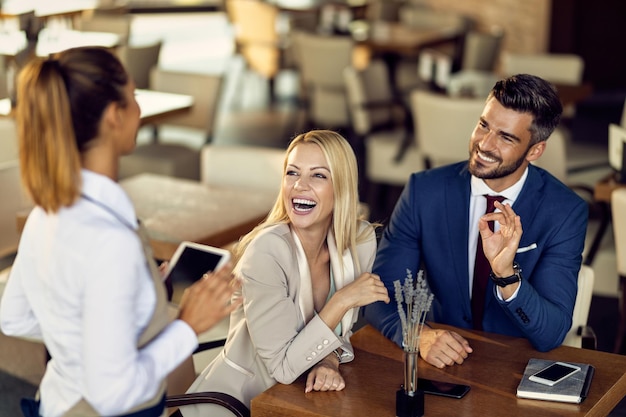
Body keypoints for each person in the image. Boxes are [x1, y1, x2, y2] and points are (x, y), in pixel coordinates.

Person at [0, 47, 241, 417]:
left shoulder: (45, 214)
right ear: (114, 115)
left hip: (57, 403)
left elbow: (13, 317)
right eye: (134, 98)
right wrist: (189, 327)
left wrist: (120, 310)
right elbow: (113, 394)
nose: (140, 110)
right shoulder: (112, 241)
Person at [363, 74, 588, 368]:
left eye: (506, 137)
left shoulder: (564, 212)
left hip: (514, 368)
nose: (484, 143)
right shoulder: (424, 191)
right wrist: (418, 335)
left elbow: (551, 334)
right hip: (439, 363)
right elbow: (378, 295)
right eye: (484, 125)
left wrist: (506, 274)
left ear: (535, 151)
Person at [178, 130, 390, 416]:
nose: (300, 186)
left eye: (318, 175)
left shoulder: (359, 240)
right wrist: (341, 300)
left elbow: (342, 332)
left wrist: (329, 360)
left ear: (341, 186)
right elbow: (283, 367)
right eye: (292, 173)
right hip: (236, 406)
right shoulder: (265, 252)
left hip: (296, 402)